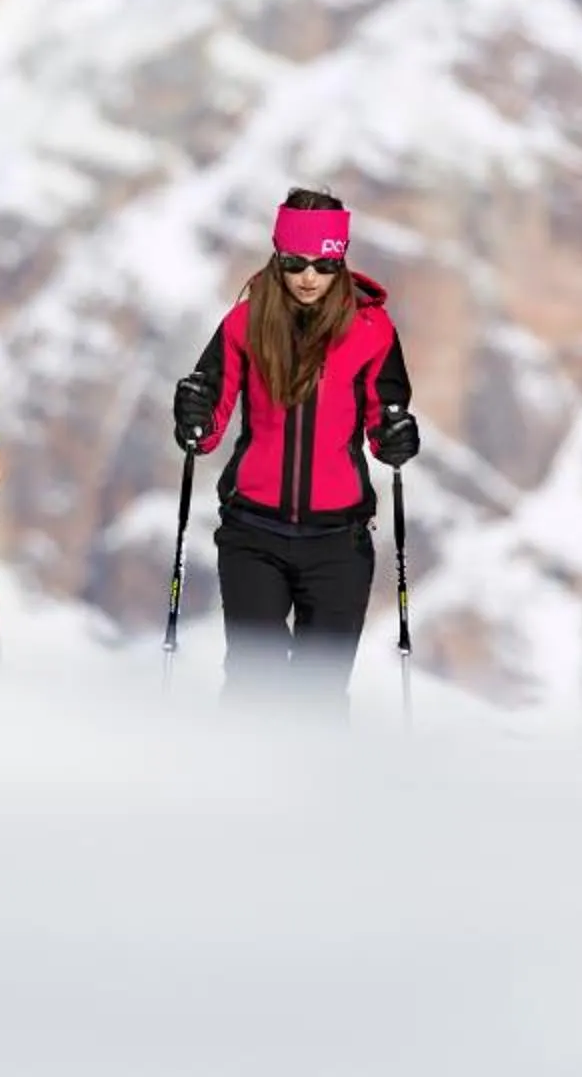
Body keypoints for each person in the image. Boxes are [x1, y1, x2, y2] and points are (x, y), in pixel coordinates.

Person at [170, 188, 419, 703]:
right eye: (295, 262)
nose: (309, 277)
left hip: (339, 543)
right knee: (254, 686)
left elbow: (383, 423)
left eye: (325, 265)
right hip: (252, 534)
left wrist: (396, 440)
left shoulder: (372, 331)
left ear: (341, 261)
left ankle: (315, 785)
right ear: (277, 257)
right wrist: (193, 416)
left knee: (319, 698)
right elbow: (208, 427)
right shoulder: (244, 324)